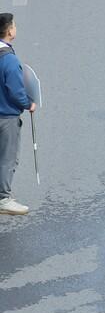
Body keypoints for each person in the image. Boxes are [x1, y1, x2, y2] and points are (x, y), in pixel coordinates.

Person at [0, 12, 35, 216]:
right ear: (10, 30)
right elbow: (16, 90)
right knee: (7, 158)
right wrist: (28, 104)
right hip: (6, 117)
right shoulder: (9, 61)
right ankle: (3, 199)